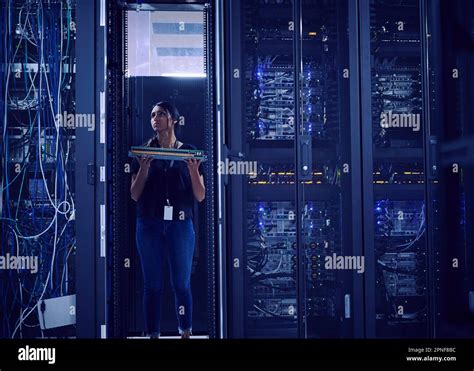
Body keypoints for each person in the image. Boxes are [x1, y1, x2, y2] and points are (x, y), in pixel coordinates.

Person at [130, 101, 205, 339]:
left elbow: (200, 196)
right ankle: (152, 334)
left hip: (180, 225)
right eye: (152, 115)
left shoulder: (189, 151)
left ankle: (185, 332)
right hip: (149, 224)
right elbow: (134, 194)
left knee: (181, 284)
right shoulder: (143, 151)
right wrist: (144, 168)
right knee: (152, 285)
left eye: (161, 114)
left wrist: (193, 170)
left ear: (173, 119)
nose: (155, 118)